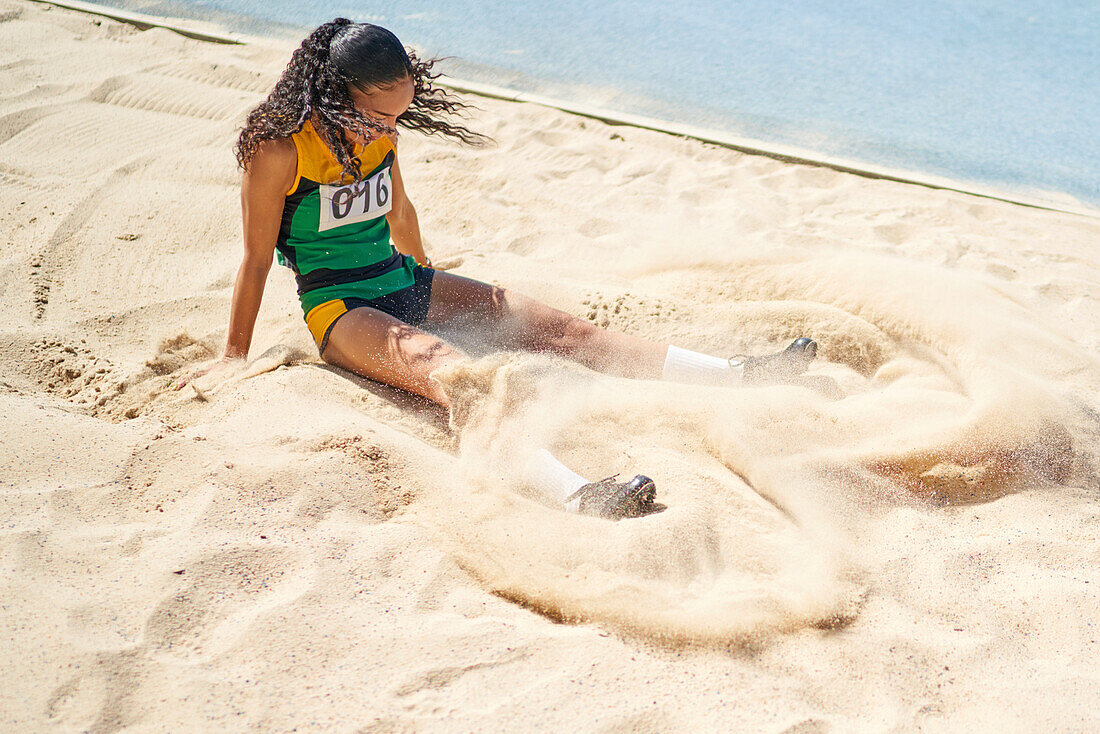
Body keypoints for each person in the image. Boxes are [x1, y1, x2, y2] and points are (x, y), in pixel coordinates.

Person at [177, 19, 817, 521]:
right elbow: (257, 258)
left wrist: (431, 285)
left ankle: (738, 374)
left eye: (399, 113)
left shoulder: (382, 133)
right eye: (379, 113)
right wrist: (234, 353)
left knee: (566, 330)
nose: (389, 126)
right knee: (455, 375)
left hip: (405, 280)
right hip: (341, 308)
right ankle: (576, 494)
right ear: (333, 94)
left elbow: (401, 214)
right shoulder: (280, 148)